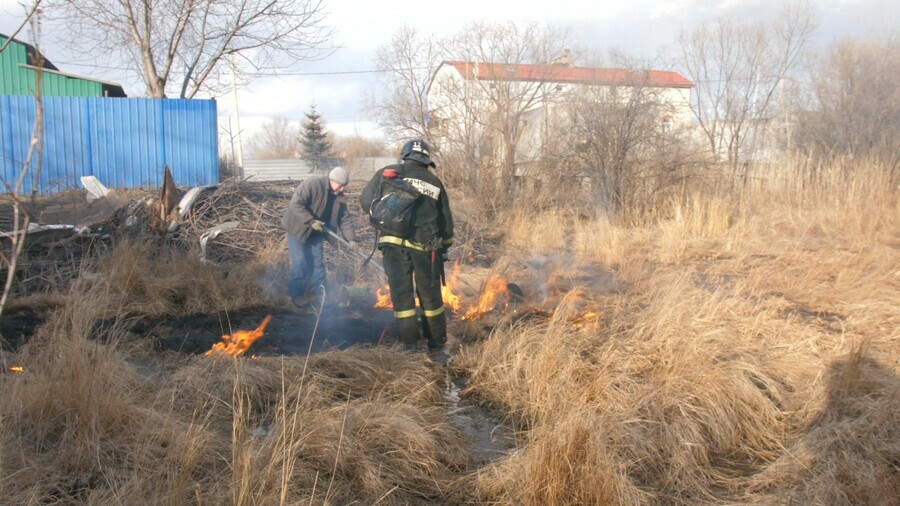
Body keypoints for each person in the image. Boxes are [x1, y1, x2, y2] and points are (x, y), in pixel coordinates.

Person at [360, 139, 454, 351]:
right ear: (426, 160)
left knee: (402, 296)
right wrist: (445, 245)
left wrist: (385, 215)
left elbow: (366, 201)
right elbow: (445, 221)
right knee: (430, 296)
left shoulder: (388, 172)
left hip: (391, 243)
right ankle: (436, 340)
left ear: (405, 155)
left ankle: (410, 343)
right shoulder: (434, 182)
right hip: (425, 248)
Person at [282, 166, 358, 308]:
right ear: (332, 180)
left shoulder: (339, 197)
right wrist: (310, 221)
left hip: (316, 232)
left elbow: (344, 218)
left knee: (318, 263)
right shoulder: (312, 184)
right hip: (297, 228)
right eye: (341, 185)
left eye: (344, 186)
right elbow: (296, 204)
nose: (342, 189)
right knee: (299, 262)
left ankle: (321, 296)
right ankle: (296, 295)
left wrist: (351, 239)